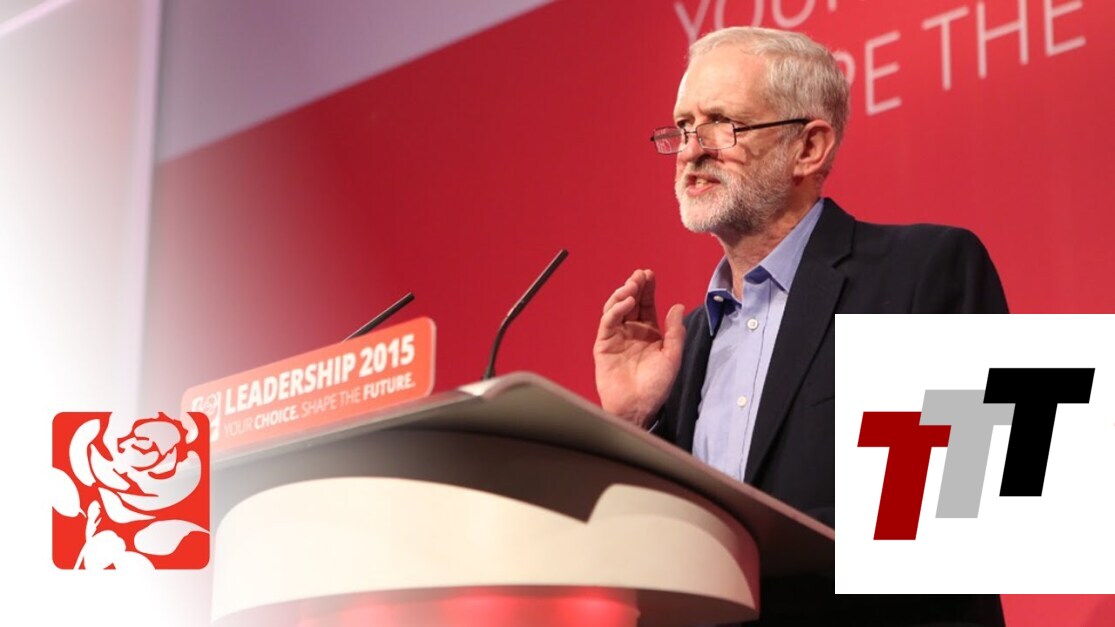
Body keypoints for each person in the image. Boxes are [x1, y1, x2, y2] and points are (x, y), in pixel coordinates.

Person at [592, 26, 1008, 626]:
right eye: (683, 127)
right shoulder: (682, 354)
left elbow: (970, 510)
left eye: (721, 124)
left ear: (809, 147)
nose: (690, 151)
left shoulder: (924, 272)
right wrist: (633, 424)